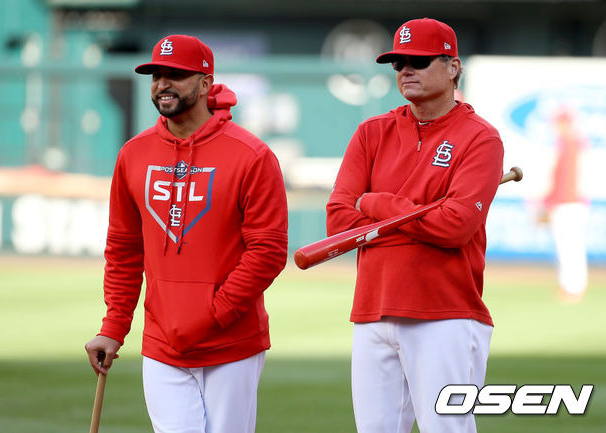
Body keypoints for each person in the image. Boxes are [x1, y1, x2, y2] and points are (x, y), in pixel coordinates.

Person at [84, 34, 288, 433]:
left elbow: (268, 250)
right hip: (162, 345)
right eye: (157, 75)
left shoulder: (252, 155)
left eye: (176, 75)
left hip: (230, 345)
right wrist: (113, 327)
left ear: (205, 83)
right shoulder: (133, 154)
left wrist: (215, 313)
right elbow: (124, 250)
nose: (163, 84)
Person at [326, 18, 504, 433]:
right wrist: (419, 213)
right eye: (399, 62)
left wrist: (375, 203)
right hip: (373, 310)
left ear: (453, 67)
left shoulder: (480, 138)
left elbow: (455, 226)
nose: (406, 70)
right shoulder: (372, 131)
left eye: (419, 61)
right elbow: (338, 219)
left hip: (445, 314)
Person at [540, 107, 589, 303]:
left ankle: (573, 288)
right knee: (570, 248)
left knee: (569, 248)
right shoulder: (574, 144)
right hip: (572, 203)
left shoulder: (568, 144)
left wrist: (549, 204)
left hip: (568, 203)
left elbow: (564, 181)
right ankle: (570, 286)